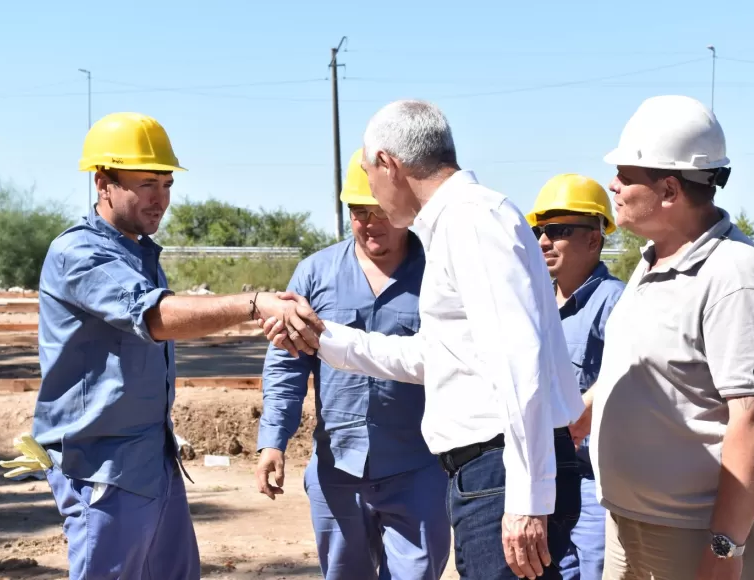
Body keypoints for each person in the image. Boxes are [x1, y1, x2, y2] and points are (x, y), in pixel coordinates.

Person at [260, 100, 585, 580]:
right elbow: (436, 356)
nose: (371, 194)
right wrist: (321, 337)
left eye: (370, 176)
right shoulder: (458, 224)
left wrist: (527, 501)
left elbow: (520, 366)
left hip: (499, 472)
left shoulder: (471, 223)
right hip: (490, 471)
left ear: (389, 164)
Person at [3, 112, 323, 580]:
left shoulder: (140, 253)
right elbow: (155, 316)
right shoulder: (79, 254)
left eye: (167, 184)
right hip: (102, 469)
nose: (161, 199)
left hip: (152, 460)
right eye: (146, 183)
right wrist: (254, 303)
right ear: (103, 182)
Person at [586, 95, 754, 580]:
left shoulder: (736, 276)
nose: (613, 185)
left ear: (667, 189)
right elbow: (653, 361)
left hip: (695, 529)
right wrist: (587, 410)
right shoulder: (654, 259)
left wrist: (724, 549)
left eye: (625, 174)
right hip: (635, 518)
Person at [255, 148, 450, 579]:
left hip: (418, 468)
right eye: (357, 211)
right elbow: (287, 367)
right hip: (337, 470)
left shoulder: (439, 273)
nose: (369, 222)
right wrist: (273, 441)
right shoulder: (315, 274)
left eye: (378, 210)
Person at [527, 174, 625, 580]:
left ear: (594, 238)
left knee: (593, 571)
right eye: (540, 231)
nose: (544, 241)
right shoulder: (536, 304)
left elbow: (631, 370)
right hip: (543, 478)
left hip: (593, 482)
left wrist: (590, 402)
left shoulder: (614, 301)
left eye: (559, 231)